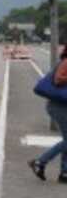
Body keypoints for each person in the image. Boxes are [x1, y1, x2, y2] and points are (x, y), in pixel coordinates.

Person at [29, 45, 67, 183]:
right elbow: (58, 79)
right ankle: (40, 162)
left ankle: (64, 173)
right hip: (59, 106)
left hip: (62, 106)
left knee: (66, 141)